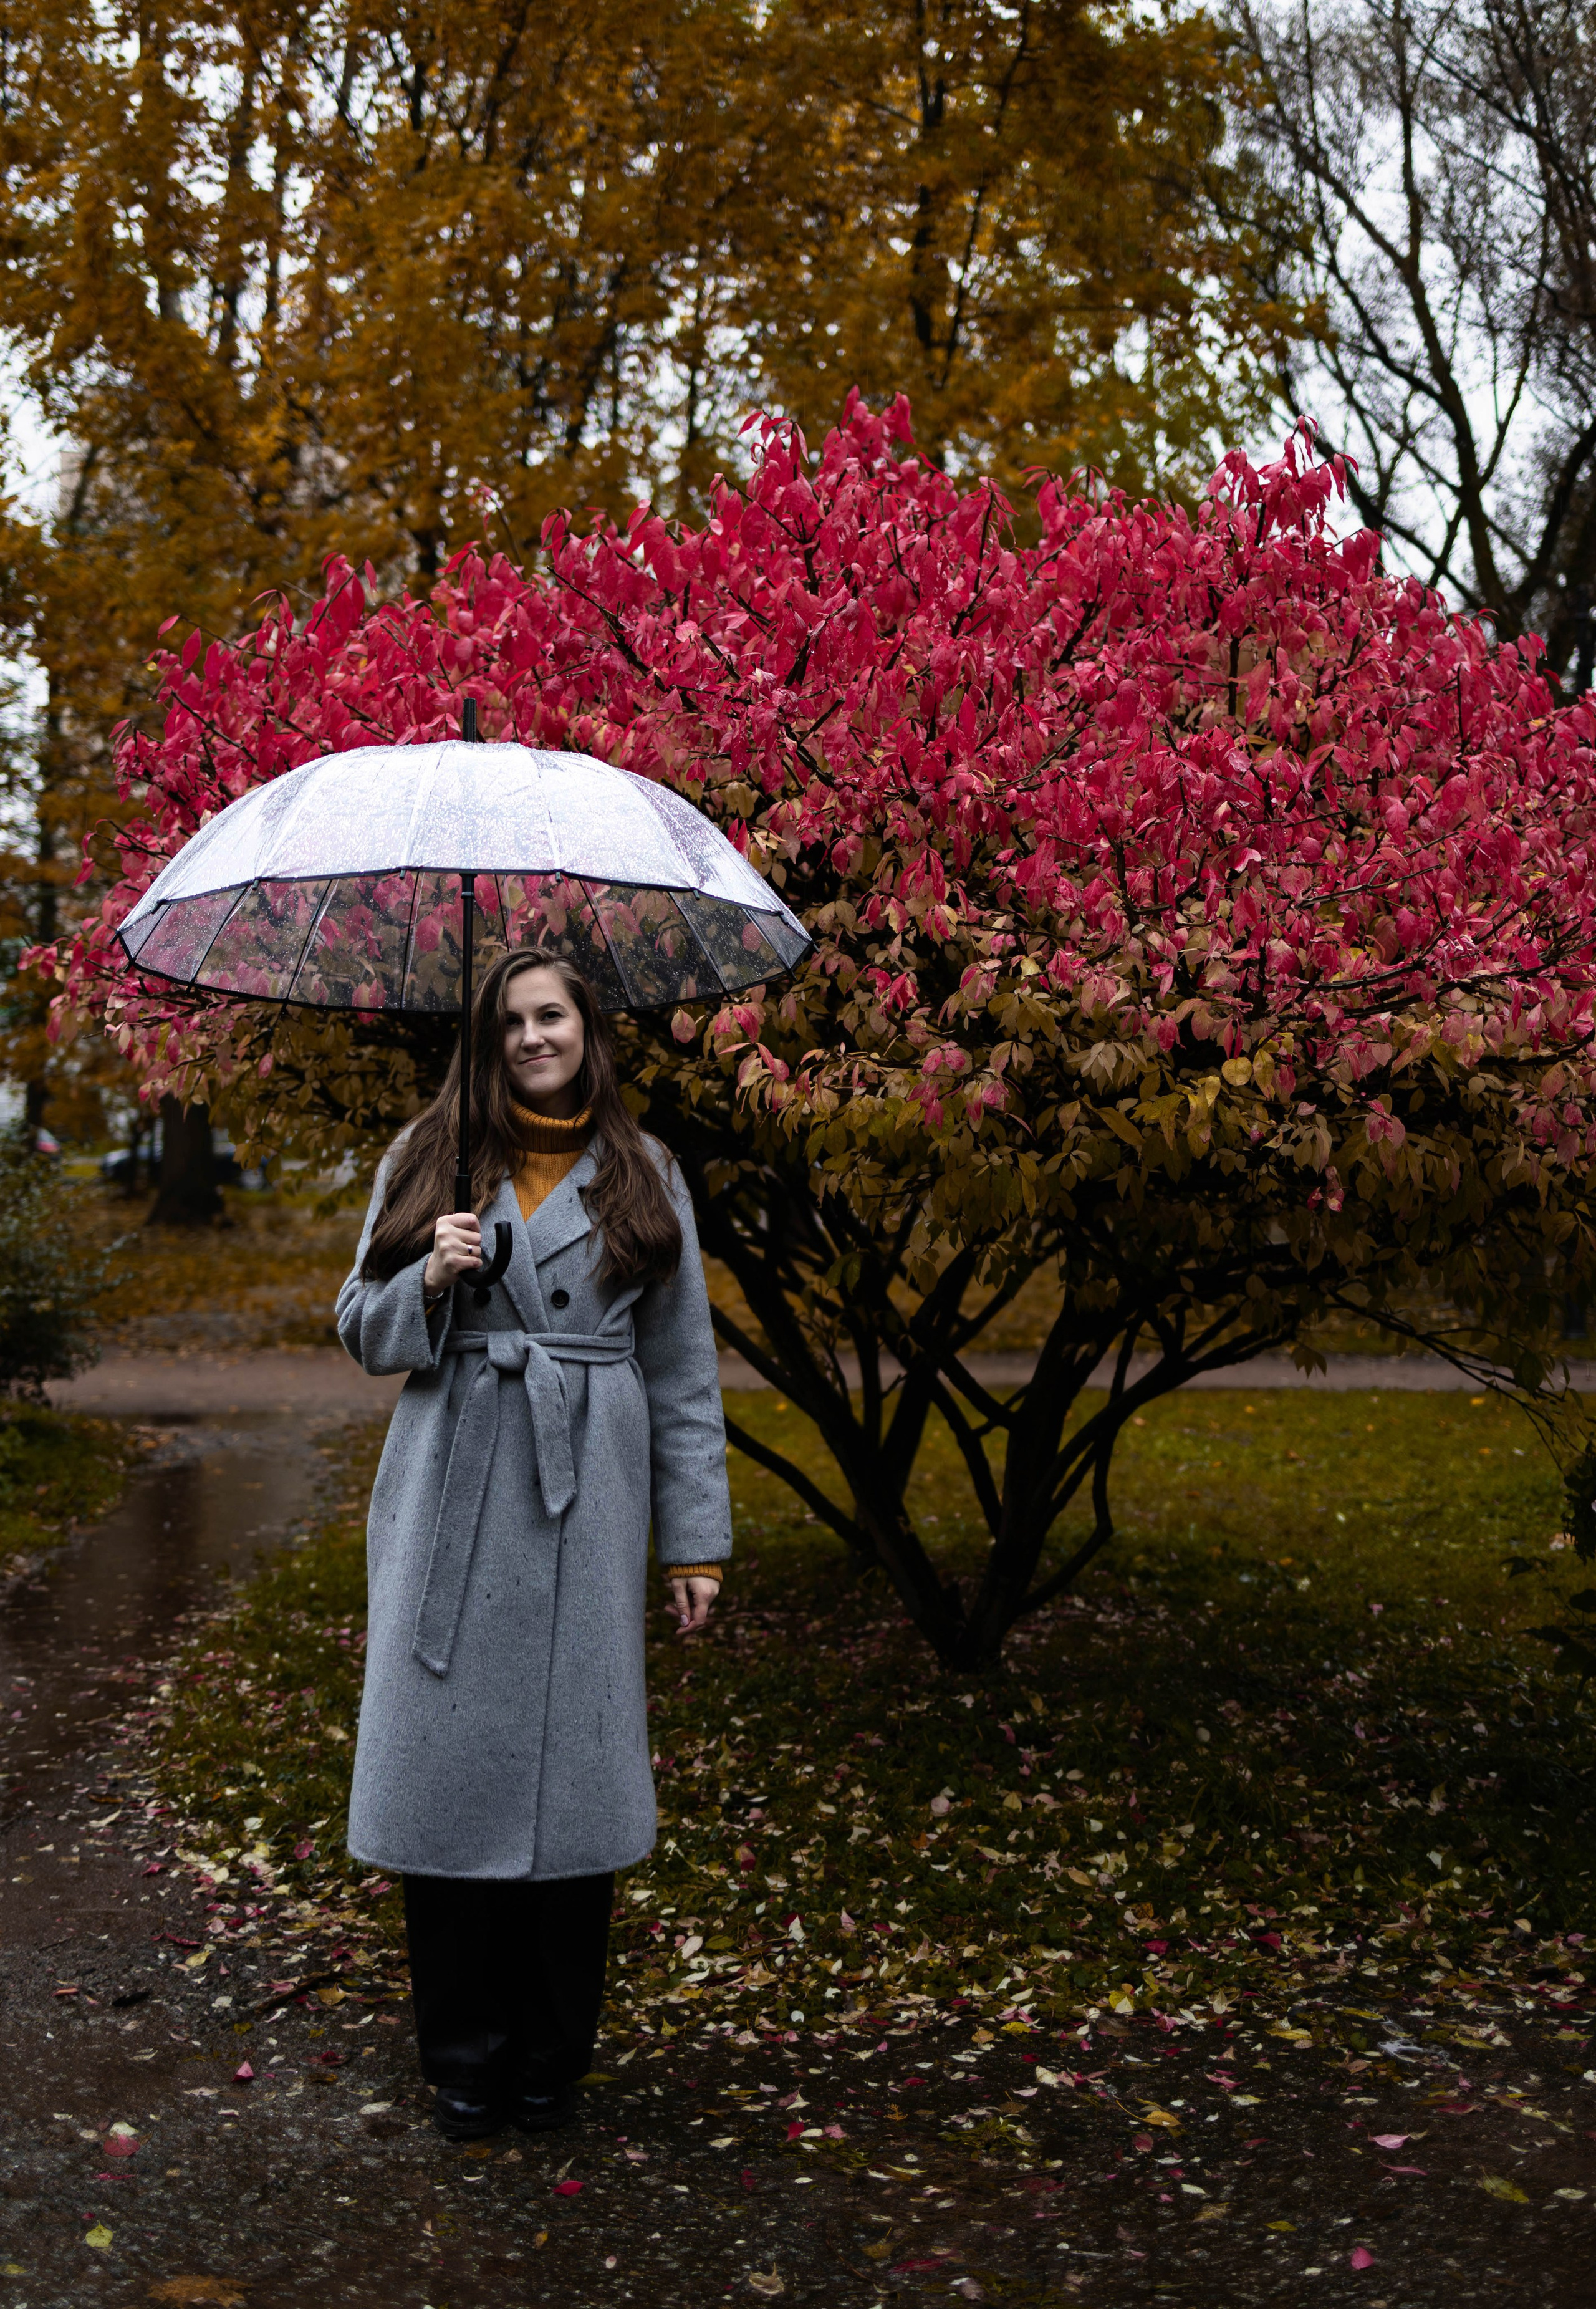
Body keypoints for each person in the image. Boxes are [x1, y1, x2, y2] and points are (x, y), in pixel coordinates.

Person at [336, 945, 731, 2140]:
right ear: (485, 1039)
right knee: (446, 1777)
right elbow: (359, 1328)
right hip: (451, 1485)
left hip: (585, 1497)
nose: (531, 1038)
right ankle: (463, 2055)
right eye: (508, 1021)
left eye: (551, 1016)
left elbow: (683, 1370)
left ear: (586, 1031)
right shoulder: (428, 1157)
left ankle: (552, 2056)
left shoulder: (646, 1170)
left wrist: (694, 1544)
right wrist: (431, 1277)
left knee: (576, 1780)